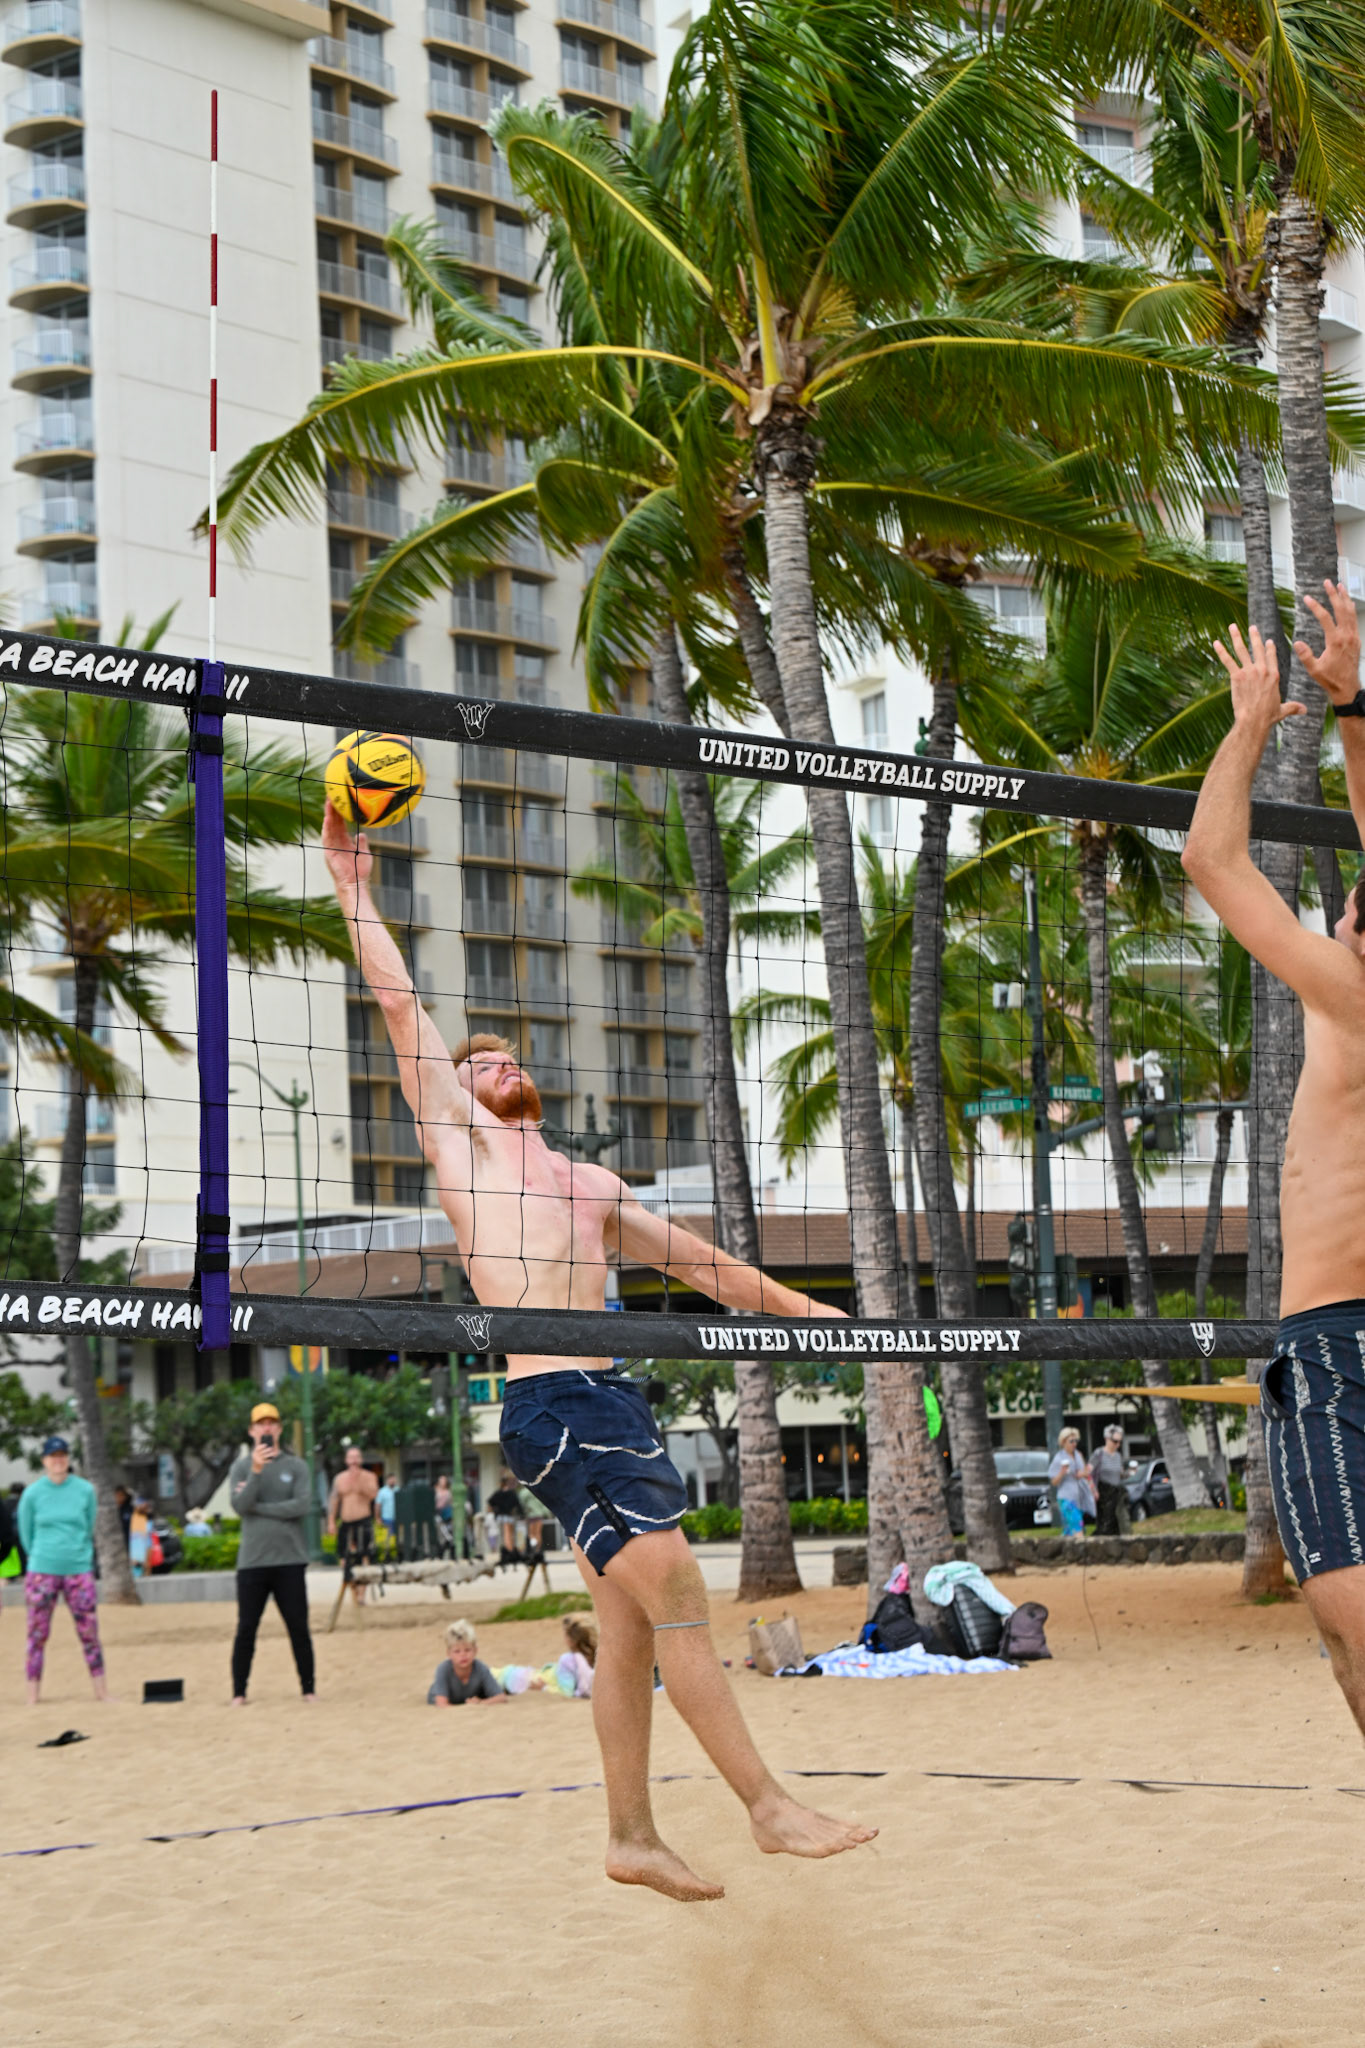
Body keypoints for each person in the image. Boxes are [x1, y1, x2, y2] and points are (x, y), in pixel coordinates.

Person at [326, 806, 876, 1902]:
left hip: (609, 1394)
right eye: (476, 1064)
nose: (494, 1066)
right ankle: (767, 1804)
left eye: (504, 1057)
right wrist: (352, 885)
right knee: (676, 1582)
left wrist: (822, 1319)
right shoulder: (465, 1150)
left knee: (626, 1627)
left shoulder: (590, 1184)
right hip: (552, 1400)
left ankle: (631, 1832)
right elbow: (399, 1004)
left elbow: (713, 1269)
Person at [1182, 585, 1365, 1734]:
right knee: (1343, 1636)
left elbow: (1211, 855)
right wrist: (1354, 710)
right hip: (1333, 1339)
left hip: (1334, 1342)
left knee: (1351, 1614)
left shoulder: (1346, 992)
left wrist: (1252, 723)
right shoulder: (1348, 994)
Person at [227, 1402, 316, 1704]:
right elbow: (239, 1506)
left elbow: (302, 1506)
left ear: (279, 1428)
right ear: (252, 1431)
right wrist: (255, 1471)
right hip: (252, 1562)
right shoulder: (240, 1467)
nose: (266, 1428)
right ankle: (239, 1692)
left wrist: (259, 1509)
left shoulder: (297, 1466)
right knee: (246, 1628)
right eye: (260, 1424)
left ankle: (308, 1688)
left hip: (290, 1560)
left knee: (298, 1627)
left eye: (272, 1423)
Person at [18, 1435, 108, 1705]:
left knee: (89, 1631)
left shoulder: (84, 1490)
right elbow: (26, 1532)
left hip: (78, 1569)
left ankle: (101, 1691)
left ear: (68, 1459)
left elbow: (89, 1524)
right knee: (37, 1633)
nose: (58, 1461)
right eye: (53, 1456)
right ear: (44, 1460)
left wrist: (79, 1553)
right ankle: (33, 1693)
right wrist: (39, 1556)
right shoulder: (32, 1494)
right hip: (42, 1570)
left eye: (62, 1456)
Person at [326, 1445, 379, 1608]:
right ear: (346, 1460)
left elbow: (373, 1495)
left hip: (363, 1521)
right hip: (346, 1522)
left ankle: (362, 1594)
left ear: (361, 1459)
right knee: (345, 1558)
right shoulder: (339, 1478)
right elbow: (334, 1500)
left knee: (365, 1557)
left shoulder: (369, 1476)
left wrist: (359, 1482)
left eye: (357, 1457)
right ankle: (354, 1592)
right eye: (351, 1457)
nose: (354, 1460)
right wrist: (331, 1521)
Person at [427, 1618, 508, 1706]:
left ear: (475, 1651)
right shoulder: (443, 1669)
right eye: (457, 1651)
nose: (463, 1655)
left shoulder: (480, 1668)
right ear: (448, 1653)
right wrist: (464, 1708)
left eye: (467, 1650)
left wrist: (480, 1703)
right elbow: (442, 1703)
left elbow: (501, 1697)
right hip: (447, 1697)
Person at [1048, 1428, 1092, 1538]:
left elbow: (1084, 1473)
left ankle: (1058, 1549)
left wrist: (1085, 1473)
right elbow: (1054, 1481)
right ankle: (1082, 1550)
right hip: (1066, 1498)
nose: (1074, 1444)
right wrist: (1062, 1472)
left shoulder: (1078, 1455)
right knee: (1077, 1524)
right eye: (1071, 1441)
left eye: (1075, 1441)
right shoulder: (1059, 1458)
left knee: (1069, 1529)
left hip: (1079, 1498)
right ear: (1063, 1442)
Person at [1090, 1425, 1128, 1536]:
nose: (1117, 1445)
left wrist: (1128, 1473)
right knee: (1105, 1522)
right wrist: (1094, 1490)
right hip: (1103, 1492)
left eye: (1119, 1442)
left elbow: (1119, 1474)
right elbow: (1089, 1473)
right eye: (1115, 1441)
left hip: (1115, 1492)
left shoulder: (1118, 1456)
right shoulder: (1099, 1453)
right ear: (1107, 1439)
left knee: (1115, 1522)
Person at [488, 1469, 523, 1567]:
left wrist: (496, 1510)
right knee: (509, 1534)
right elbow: (517, 1504)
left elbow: (490, 1502)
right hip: (509, 1515)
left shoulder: (498, 1493)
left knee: (505, 1534)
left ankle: (508, 1551)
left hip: (501, 1516)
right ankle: (510, 1550)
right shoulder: (511, 1493)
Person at [375, 1472, 397, 1552]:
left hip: (397, 1518)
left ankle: (396, 1554)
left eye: (393, 1479)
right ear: (387, 1480)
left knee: (397, 1537)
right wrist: (377, 1518)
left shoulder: (398, 1490)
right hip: (387, 1518)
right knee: (388, 1537)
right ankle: (387, 1554)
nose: (392, 1481)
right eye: (390, 1479)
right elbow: (378, 1505)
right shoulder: (382, 1491)